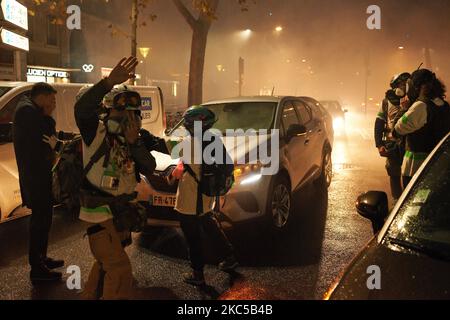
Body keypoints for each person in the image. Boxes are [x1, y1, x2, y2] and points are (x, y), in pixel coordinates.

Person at [74, 57, 158, 300]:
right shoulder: (96, 132)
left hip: (120, 213)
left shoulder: (132, 139)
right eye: (121, 110)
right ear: (109, 110)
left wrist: (135, 143)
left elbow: (149, 167)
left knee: (104, 264)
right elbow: (82, 109)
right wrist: (108, 82)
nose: (127, 117)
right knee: (119, 268)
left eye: (133, 112)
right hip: (99, 212)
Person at [170, 105, 238, 286]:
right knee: (208, 223)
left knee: (193, 236)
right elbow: (228, 165)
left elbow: (171, 150)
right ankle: (228, 256)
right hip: (206, 194)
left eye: (187, 123)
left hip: (190, 197)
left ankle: (197, 274)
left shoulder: (189, 142)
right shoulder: (213, 140)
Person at [12, 82, 65, 283]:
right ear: (41, 97)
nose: (53, 105)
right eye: (51, 100)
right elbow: (47, 136)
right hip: (35, 177)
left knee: (45, 218)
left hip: (38, 175)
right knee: (39, 222)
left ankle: (42, 258)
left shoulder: (29, 108)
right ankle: (37, 268)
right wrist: (48, 120)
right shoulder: (27, 111)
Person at [393, 68, 449, 188]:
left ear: (416, 87)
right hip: (439, 168)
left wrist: (404, 108)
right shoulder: (444, 105)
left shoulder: (420, 107)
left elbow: (396, 130)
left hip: (416, 169)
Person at [374, 72, 411, 199]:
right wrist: (379, 145)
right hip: (392, 144)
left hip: (409, 143)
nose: (404, 86)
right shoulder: (386, 102)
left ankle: (408, 203)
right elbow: (379, 123)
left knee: (410, 175)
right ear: (395, 87)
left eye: (406, 83)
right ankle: (397, 201)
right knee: (394, 174)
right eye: (401, 84)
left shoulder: (413, 100)